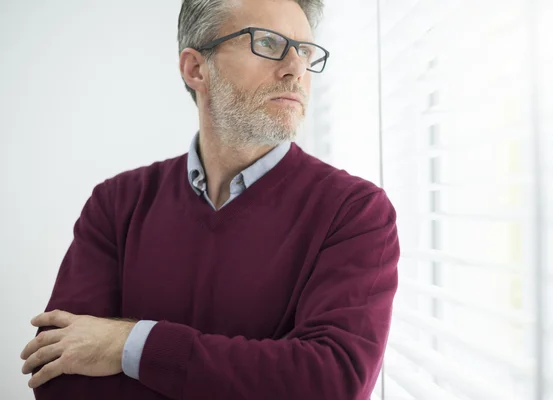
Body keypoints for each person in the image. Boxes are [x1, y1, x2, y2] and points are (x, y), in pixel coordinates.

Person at [19, 0, 400, 399]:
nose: (296, 69)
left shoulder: (355, 212)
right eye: (268, 43)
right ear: (195, 68)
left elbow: (329, 384)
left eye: (305, 51)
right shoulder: (117, 204)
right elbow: (58, 373)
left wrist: (130, 344)